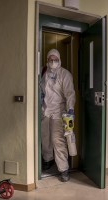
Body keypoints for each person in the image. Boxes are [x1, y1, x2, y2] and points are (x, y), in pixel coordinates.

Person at [41, 49, 75, 182]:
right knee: (45, 138)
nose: (53, 62)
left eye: (55, 59)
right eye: (50, 59)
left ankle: (64, 168)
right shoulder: (43, 73)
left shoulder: (65, 74)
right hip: (45, 111)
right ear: (47, 60)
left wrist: (70, 109)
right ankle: (48, 159)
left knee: (58, 140)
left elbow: (70, 93)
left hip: (59, 112)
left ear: (59, 59)